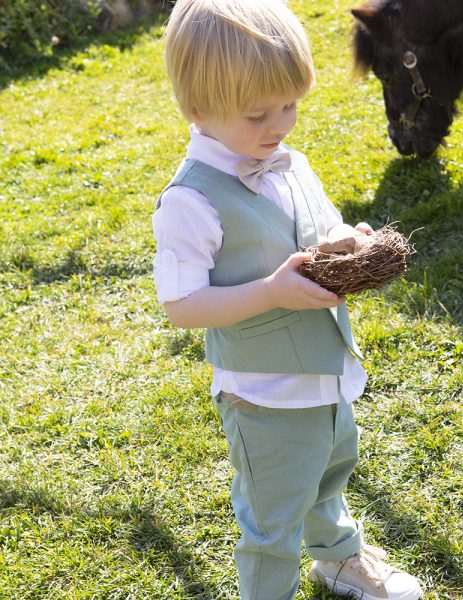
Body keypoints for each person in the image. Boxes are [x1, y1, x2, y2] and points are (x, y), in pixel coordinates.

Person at [153, 1, 423, 598]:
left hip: (325, 371)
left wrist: (348, 241)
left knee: (329, 472)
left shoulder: (288, 163)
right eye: (259, 115)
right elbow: (181, 307)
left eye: (290, 105)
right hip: (264, 395)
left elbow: (322, 228)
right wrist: (271, 291)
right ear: (198, 111)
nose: (280, 125)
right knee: (272, 516)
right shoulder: (190, 202)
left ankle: (338, 558)